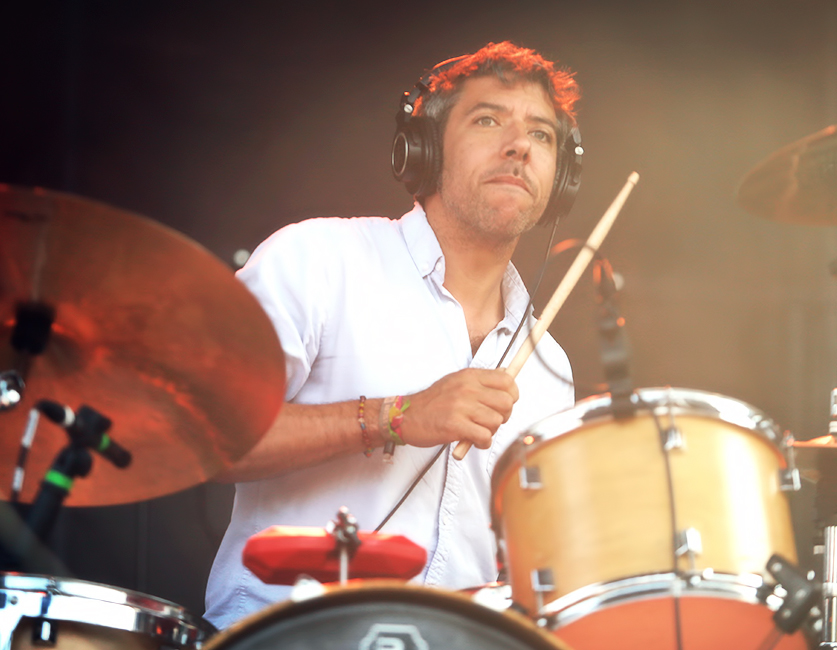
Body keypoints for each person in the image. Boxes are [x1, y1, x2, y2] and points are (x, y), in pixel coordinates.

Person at [204, 41, 581, 629]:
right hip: (288, 637)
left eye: (541, 134)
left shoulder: (550, 370)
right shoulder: (317, 259)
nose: (519, 146)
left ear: (561, 178)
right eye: (488, 120)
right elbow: (207, 438)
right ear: (423, 150)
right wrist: (395, 416)